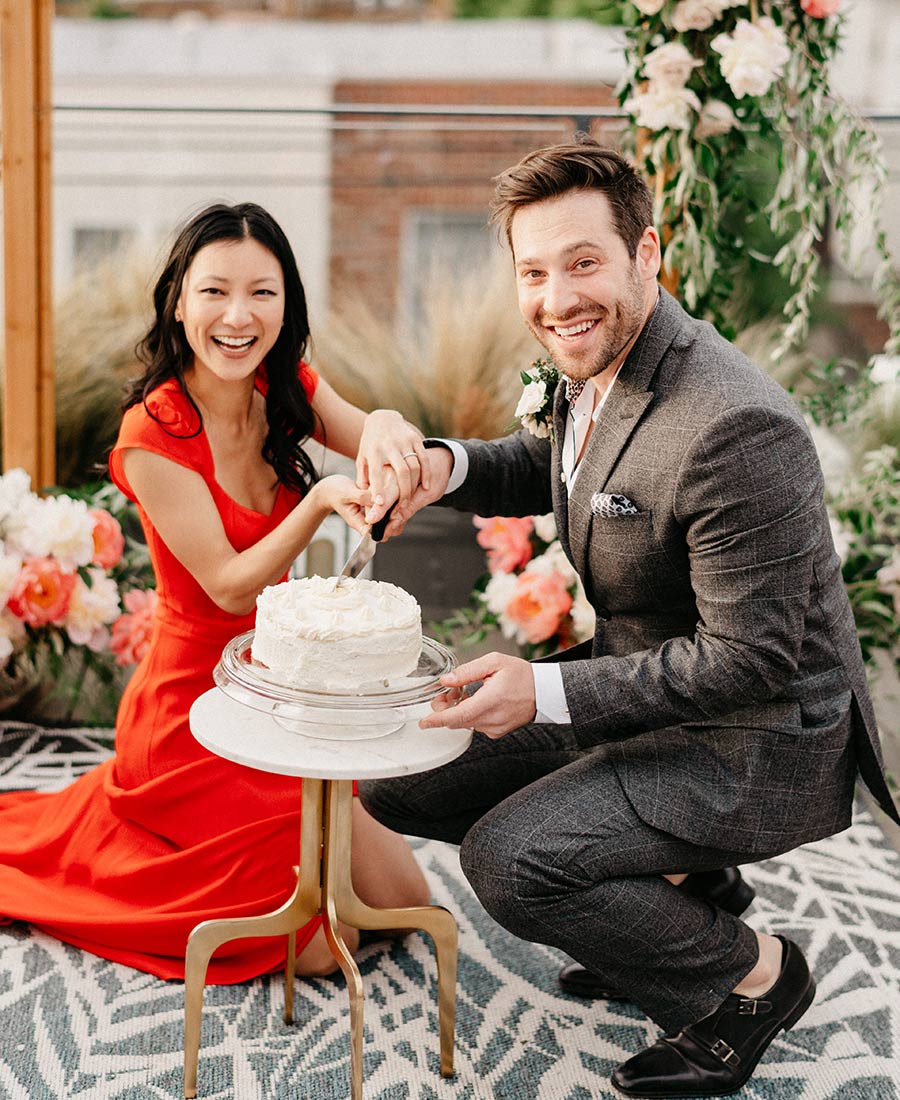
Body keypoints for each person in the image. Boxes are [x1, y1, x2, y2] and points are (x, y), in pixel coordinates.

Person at [359, 139, 900, 1097]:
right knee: (405, 770)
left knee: (512, 862)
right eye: (534, 272)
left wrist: (546, 692)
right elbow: (560, 466)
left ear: (647, 255)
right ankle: (685, 888)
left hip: (756, 735)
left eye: (583, 263)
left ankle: (749, 977)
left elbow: (752, 662)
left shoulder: (735, 426)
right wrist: (446, 468)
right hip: (652, 688)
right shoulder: (596, 352)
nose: (556, 298)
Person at [0, 201, 434, 982]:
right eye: (215, 292)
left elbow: (364, 428)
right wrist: (320, 500)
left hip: (280, 683)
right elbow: (232, 589)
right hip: (193, 711)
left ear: (285, 305)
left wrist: (391, 423)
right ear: (178, 300)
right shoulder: (153, 434)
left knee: (403, 899)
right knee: (317, 953)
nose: (238, 316)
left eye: (262, 293)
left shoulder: (287, 382)